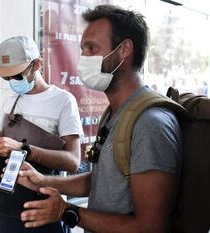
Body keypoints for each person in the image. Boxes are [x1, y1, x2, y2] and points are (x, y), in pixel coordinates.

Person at [16, 5, 181, 233]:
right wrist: (43, 180)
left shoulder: (150, 123)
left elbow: (150, 227)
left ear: (124, 49)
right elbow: (102, 182)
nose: (83, 59)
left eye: (92, 48)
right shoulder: (116, 113)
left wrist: (66, 212)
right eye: (82, 50)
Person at [0, 36, 83, 233]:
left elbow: (73, 161)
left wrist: (24, 149)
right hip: (7, 206)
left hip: (45, 209)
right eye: (6, 77)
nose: (11, 82)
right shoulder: (11, 101)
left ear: (37, 64)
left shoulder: (63, 101)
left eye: (16, 75)